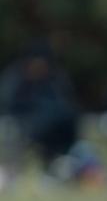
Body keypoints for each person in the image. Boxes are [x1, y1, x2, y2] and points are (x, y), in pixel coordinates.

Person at [0, 41, 79, 185]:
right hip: (22, 125)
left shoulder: (55, 79)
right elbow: (7, 107)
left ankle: (56, 167)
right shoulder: (14, 79)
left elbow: (66, 107)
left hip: (53, 131)